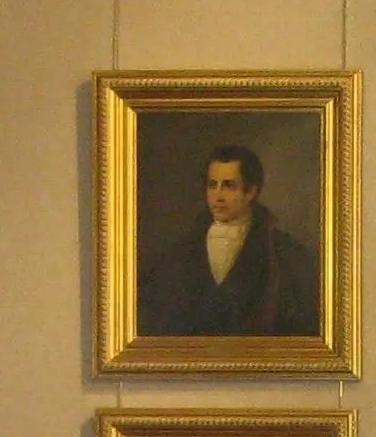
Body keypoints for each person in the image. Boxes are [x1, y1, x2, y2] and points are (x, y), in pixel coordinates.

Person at [137, 142, 324, 339]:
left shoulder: (283, 252)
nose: (217, 196)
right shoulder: (180, 251)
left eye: (229, 186)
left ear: (251, 192)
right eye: (212, 185)